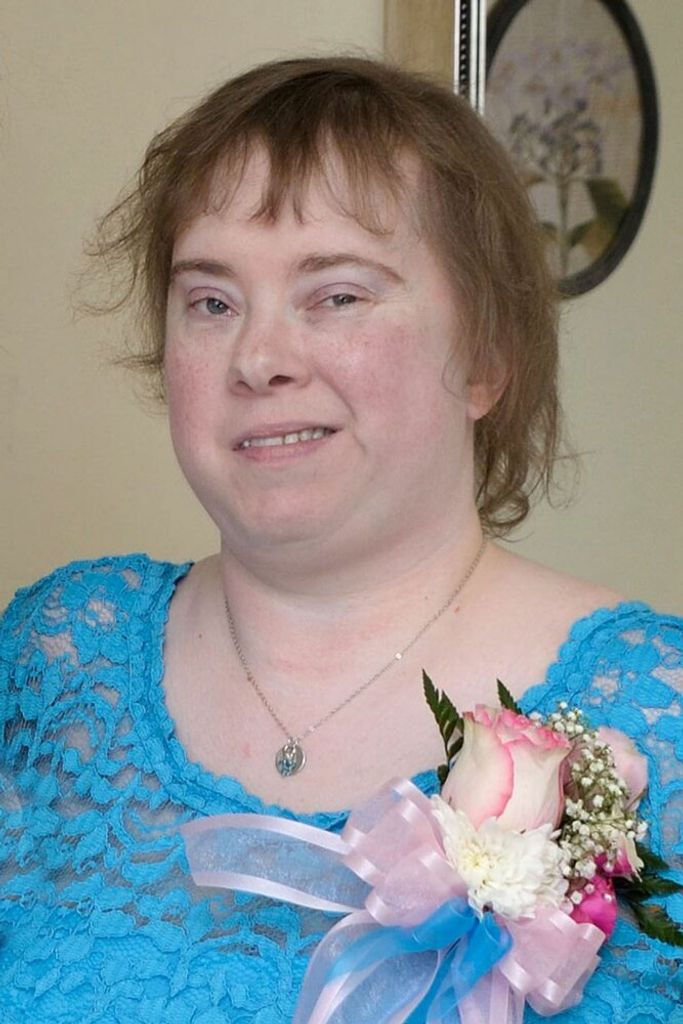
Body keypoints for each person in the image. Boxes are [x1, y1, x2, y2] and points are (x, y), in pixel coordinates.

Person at [0, 56, 680, 1023]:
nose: (258, 358)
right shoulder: (58, 660)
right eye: (212, 302)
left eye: (337, 296)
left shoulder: (660, 709)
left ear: (485, 356)